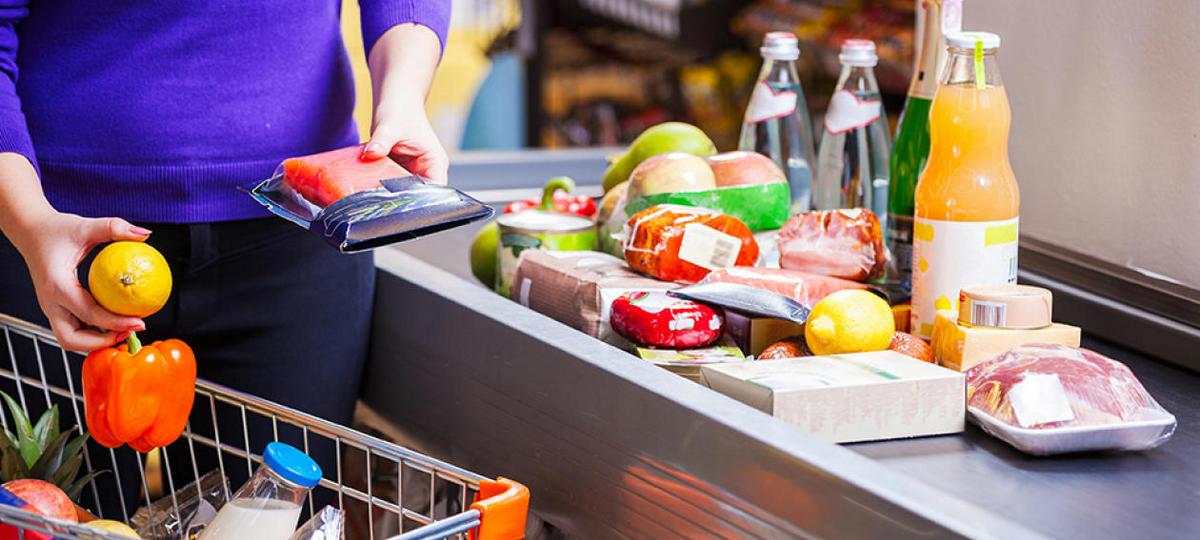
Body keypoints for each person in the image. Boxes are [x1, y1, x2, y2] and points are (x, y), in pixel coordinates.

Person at [0, 0, 451, 514]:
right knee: (57, 514)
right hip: (56, 237)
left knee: (278, 518)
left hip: (297, 230)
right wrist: (28, 221)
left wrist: (403, 97)